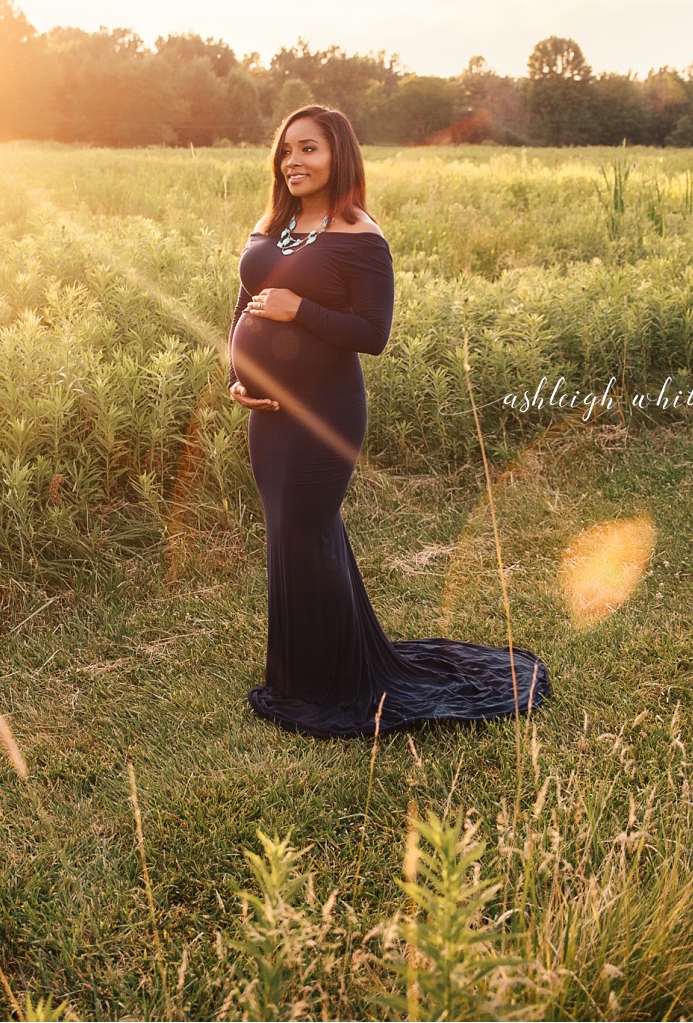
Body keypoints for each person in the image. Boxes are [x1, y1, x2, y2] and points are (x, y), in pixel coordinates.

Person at [227, 105, 551, 737]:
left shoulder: (360, 235)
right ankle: (304, 673)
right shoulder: (274, 222)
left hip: (326, 410)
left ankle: (335, 684)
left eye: (309, 150)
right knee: (288, 532)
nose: (293, 161)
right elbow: (244, 299)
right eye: (286, 150)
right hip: (266, 412)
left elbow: (372, 334)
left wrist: (300, 309)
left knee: (307, 526)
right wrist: (237, 376)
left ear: (338, 156)